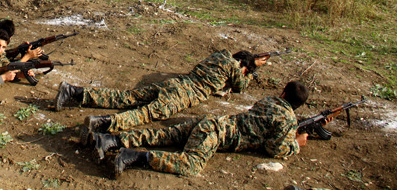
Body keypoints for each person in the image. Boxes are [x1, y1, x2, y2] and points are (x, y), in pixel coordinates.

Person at [106, 81, 310, 178]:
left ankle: (109, 140)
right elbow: (275, 148)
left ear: (283, 93)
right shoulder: (288, 119)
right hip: (214, 134)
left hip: (213, 123)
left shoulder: (270, 101)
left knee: (164, 135)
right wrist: (296, 143)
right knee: (190, 165)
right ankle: (131, 156)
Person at [55, 50, 268, 142]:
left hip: (176, 83)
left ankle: (74, 91)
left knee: (127, 97)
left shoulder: (219, 55)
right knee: (145, 115)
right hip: (184, 94)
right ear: (242, 65)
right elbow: (240, 86)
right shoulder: (234, 68)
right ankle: (101, 124)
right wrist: (253, 68)